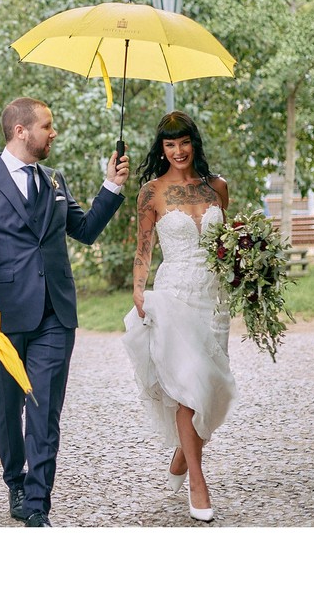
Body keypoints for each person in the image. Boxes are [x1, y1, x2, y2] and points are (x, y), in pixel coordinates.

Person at [0, 96, 130, 527]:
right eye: (47, 126)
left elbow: (85, 230)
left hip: (56, 312)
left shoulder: (55, 181)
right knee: (7, 404)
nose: (53, 133)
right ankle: (15, 480)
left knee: (44, 408)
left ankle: (37, 504)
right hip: (2, 316)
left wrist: (111, 187)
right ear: (21, 131)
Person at [123, 111, 236, 523]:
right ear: (162, 149)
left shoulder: (216, 188)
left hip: (215, 299)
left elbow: (228, 244)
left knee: (211, 386)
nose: (178, 151)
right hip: (174, 294)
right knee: (190, 384)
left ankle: (180, 457)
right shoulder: (151, 192)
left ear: (194, 143)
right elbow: (144, 249)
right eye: (170, 145)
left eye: (183, 142)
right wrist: (138, 287)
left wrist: (250, 268)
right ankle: (197, 482)